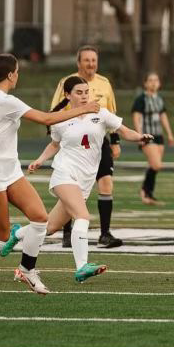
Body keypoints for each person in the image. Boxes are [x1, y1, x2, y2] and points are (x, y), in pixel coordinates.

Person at [0, 53, 100, 301]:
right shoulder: (4, 100)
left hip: (9, 169)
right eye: (18, 71)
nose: (18, 75)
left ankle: (26, 270)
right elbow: (45, 118)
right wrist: (85, 108)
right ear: (11, 75)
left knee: (40, 219)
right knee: (0, 236)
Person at [3, 75, 153, 281]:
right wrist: (40, 160)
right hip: (65, 174)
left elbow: (124, 131)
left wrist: (140, 136)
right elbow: (54, 145)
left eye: (86, 92)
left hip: (84, 181)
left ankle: (17, 234)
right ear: (67, 95)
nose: (84, 96)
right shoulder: (60, 119)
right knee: (82, 217)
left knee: (50, 227)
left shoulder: (101, 113)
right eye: (79, 93)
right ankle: (82, 265)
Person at [51, 45, 122, 249]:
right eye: (86, 60)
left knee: (106, 183)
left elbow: (112, 112)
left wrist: (115, 141)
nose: (91, 64)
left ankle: (105, 233)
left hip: (99, 139)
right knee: (71, 187)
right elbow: (55, 110)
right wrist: (56, 134)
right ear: (78, 62)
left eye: (94, 60)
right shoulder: (67, 82)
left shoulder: (104, 83)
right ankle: (67, 232)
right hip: (73, 139)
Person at [131, 71, 174, 205]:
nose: (154, 82)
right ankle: (145, 191)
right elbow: (136, 117)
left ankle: (148, 194)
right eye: (150, 80)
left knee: (154, 166)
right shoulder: (141, 99)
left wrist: (170, 134)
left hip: (159, 136)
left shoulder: (159, 99)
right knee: (157, 165)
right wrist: (140, 136)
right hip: (147, 136)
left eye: (156, 80)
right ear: (145, 83)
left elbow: (163, 116)